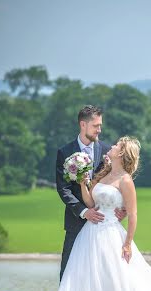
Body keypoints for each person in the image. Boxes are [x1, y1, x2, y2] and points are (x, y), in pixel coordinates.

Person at [50, 136, 151, 291]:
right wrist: (83, 183)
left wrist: (127, 243)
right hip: (90, 232)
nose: (112, 146)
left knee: (116, 277)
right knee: (90, 275)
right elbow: (91, 203)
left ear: (122, 153)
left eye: (117, 145)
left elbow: (133, 214)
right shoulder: (104, 174)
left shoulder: (126, 181)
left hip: (111, 232)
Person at [56, 105, 126, 280]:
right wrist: (84, 211)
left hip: (104, 224)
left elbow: (121, 180)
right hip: (76, 221)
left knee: (104, 273)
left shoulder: (107, 151)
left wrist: (123, 207)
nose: (99, 130)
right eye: (96, 126)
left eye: (100, 125)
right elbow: (63, 189)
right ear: (83, 125)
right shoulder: (64, 152)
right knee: (68, 272)